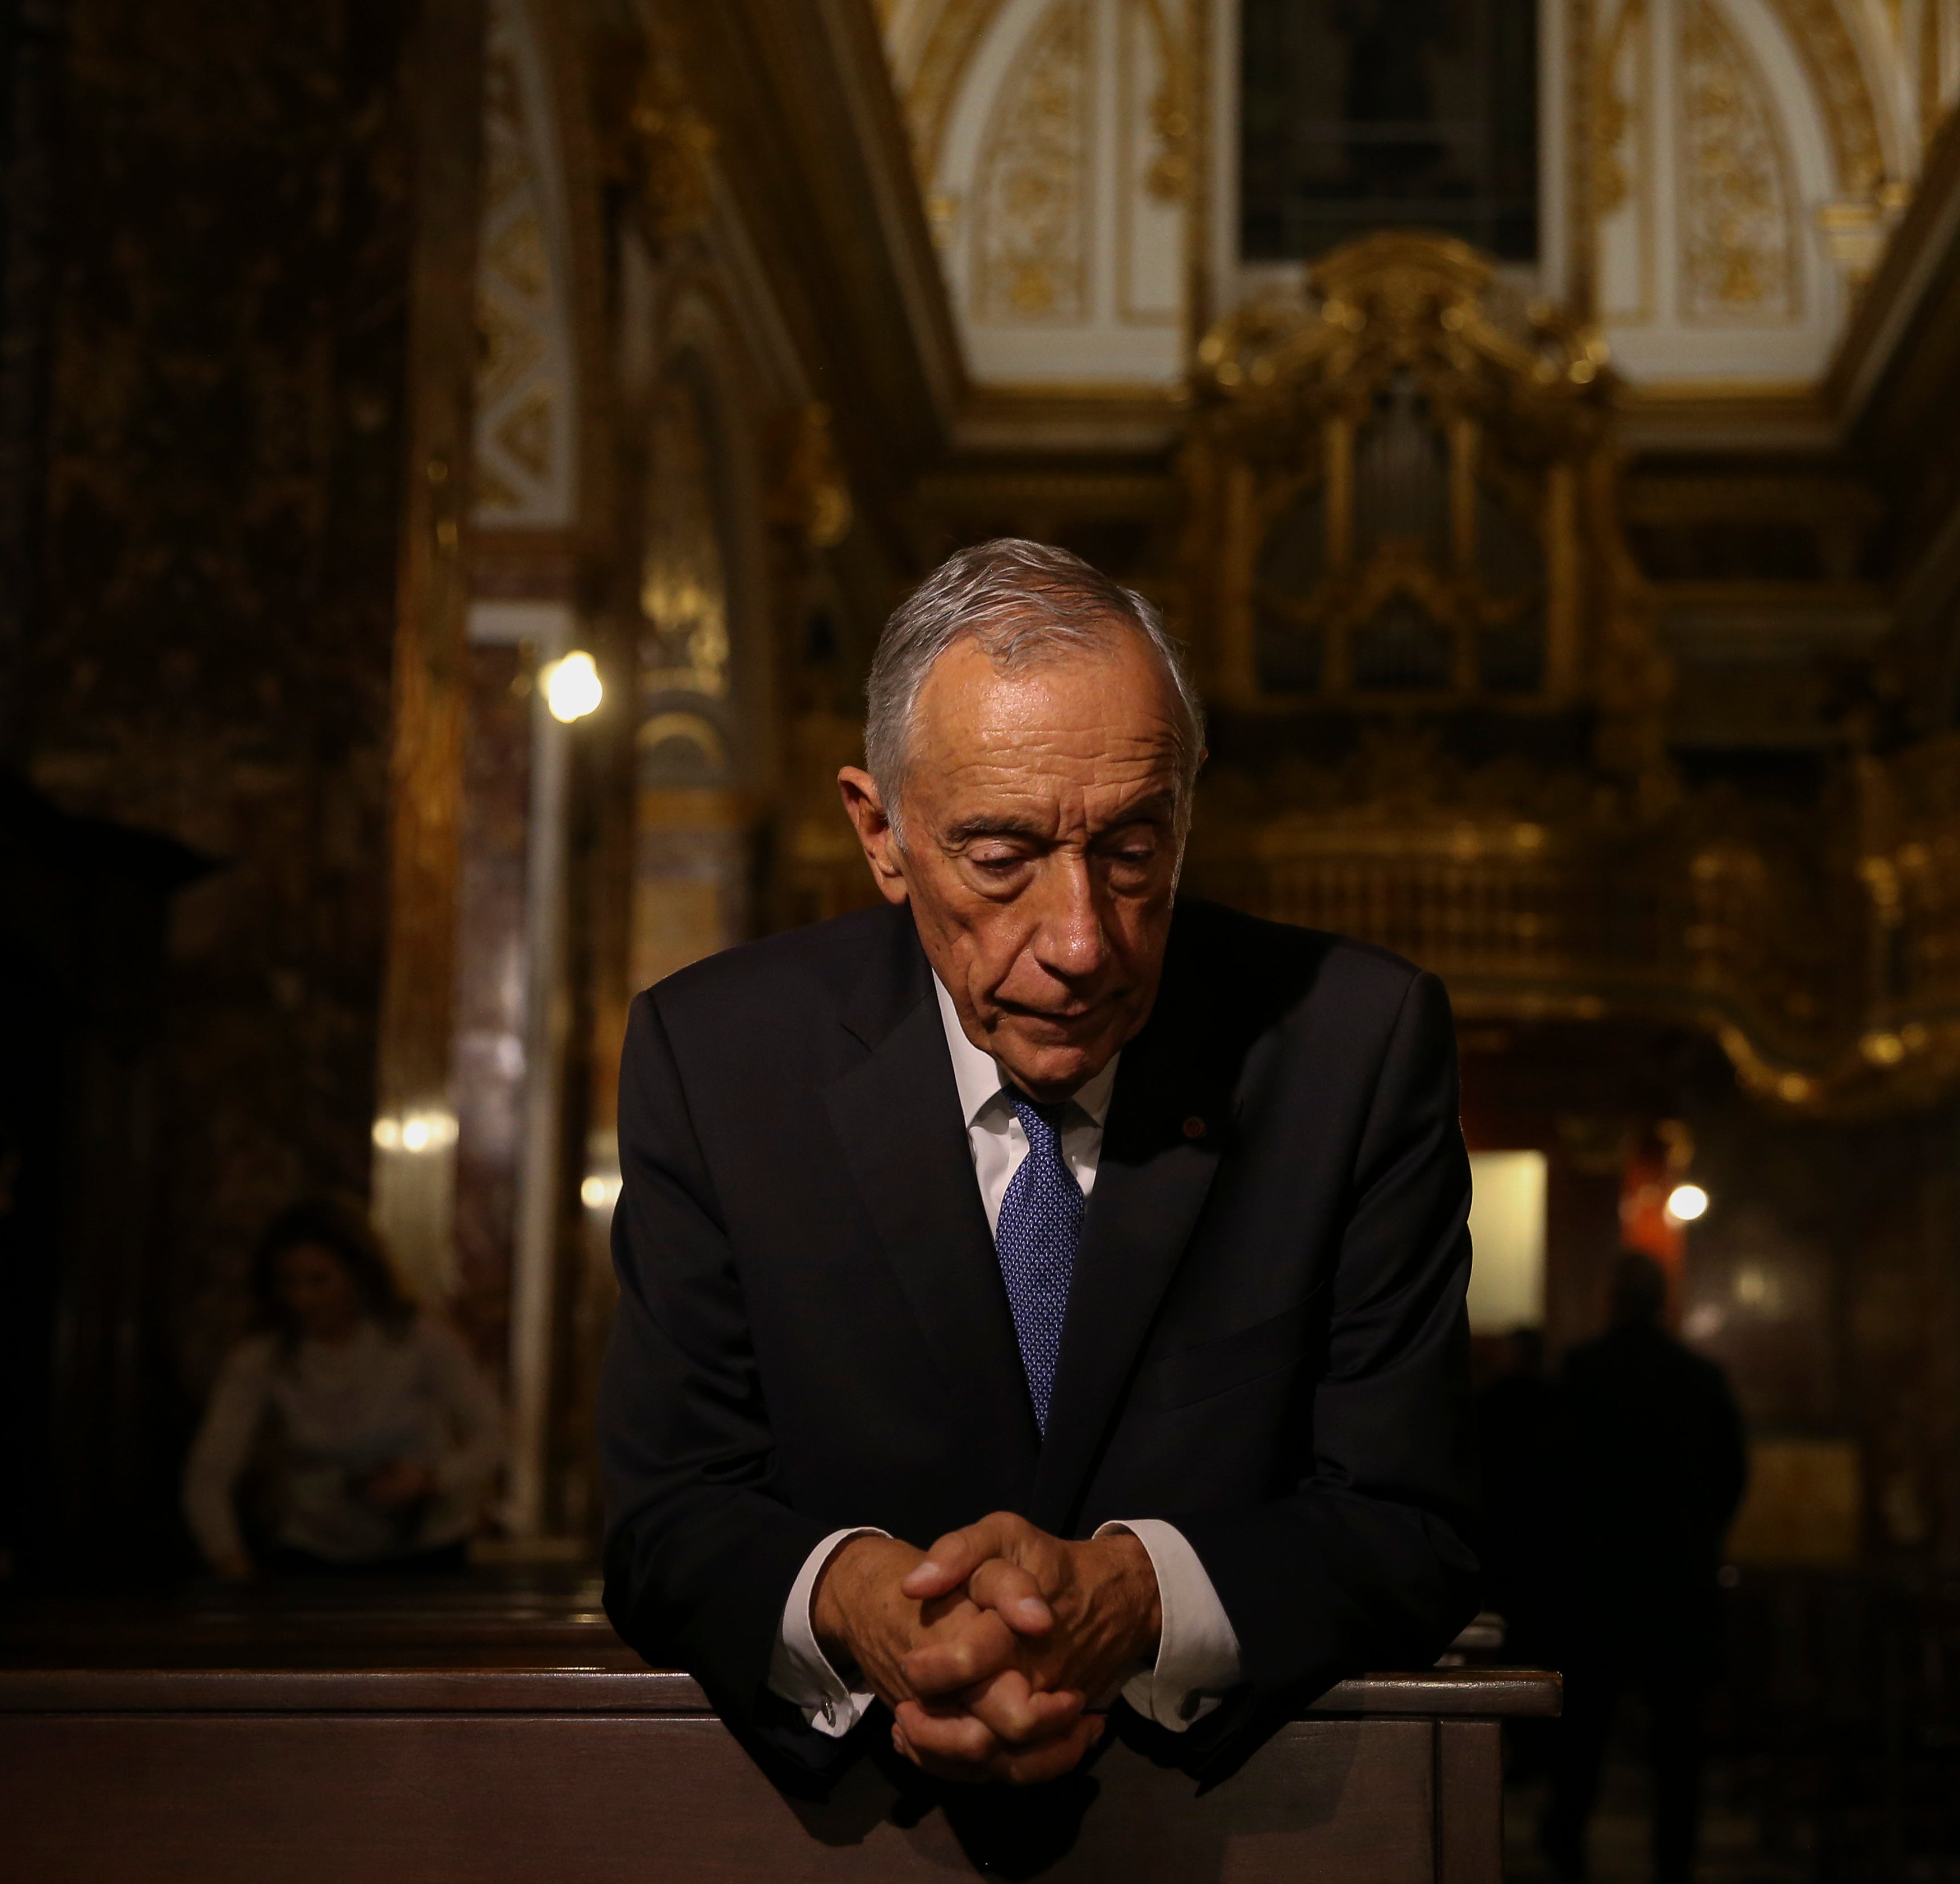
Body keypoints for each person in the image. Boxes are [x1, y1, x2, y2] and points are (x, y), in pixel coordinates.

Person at [598, 539, 1481, 1803]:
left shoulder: (1356, 1048)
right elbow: (669, 1514)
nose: (1081, 942)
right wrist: (865, 1609)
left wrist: (1131, 1596)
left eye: (1132, 851)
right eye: (1002, 857)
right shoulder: (716, 1058)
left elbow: (1411, 1523)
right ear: (882, 833)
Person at [1542, 1255, 1746, 1884]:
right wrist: (1696, 1539)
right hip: (1677, 1584)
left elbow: (1554, 1480)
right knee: (1677, 1745)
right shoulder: (1699, 1378)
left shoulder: (1582, 1374)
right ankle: (1673, 1862)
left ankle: (1567, 1848)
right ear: (1662, 1302)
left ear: (1612, 1299)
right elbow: (1731, 1477)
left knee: (1584, 1734)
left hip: (1598, 1583)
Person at [183, 1196, 506, 1578]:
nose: (303, 1298)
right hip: (315, 1557)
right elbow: (208, 1475)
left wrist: (430, 1479)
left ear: (356, 1274)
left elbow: (494, 1436)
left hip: (425, 1557)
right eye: (290, 1283)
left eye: (318, 1280)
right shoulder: (264, 1357)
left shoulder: (415, 1339)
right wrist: (230, 1562)